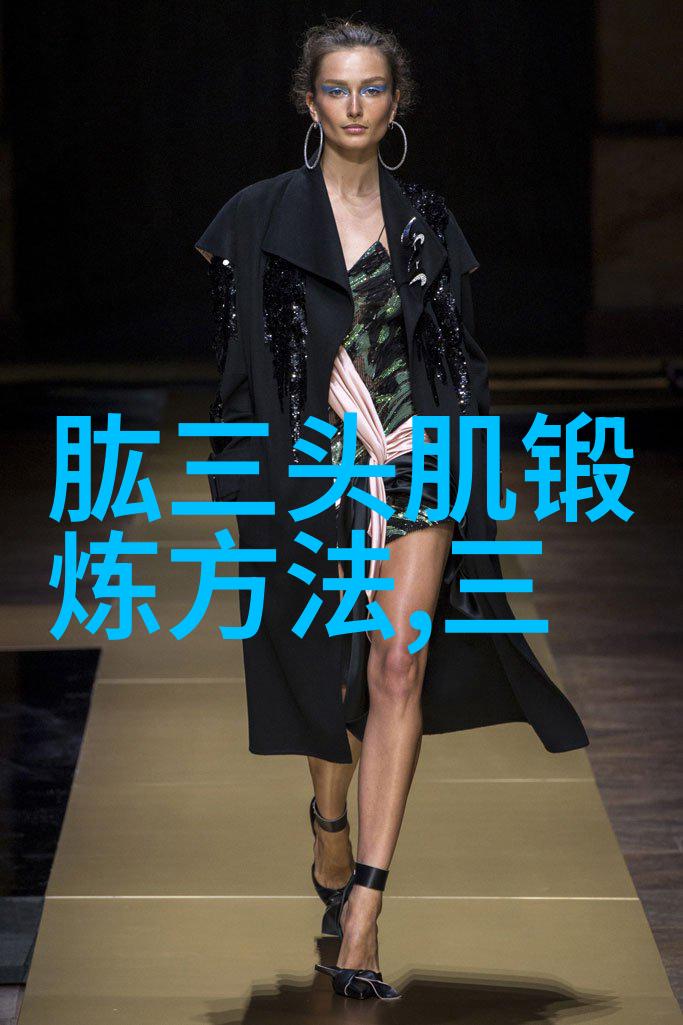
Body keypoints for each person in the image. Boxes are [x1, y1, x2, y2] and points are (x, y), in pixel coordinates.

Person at [195, 17, 589, 1003]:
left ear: (395, 102)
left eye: (372, 87)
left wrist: (465, 457)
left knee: (395, 662)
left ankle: (365, 908)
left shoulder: (426, 221)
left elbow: (459, 356)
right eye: (336, 88)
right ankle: (328, 825)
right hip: (308, 471)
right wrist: (247, 476)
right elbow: (236, 365)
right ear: (308, 101)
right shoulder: (255, 216)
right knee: (325, 678)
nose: (355, 105)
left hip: (417, 460)